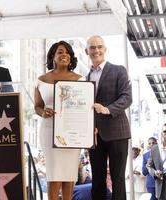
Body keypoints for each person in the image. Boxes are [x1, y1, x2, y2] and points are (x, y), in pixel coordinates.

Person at [85, 35, 132, 200]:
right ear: (86, 51)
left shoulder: (119, 70)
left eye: (99, 46)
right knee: (97, 179)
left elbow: (127, 98)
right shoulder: (86, 78)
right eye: (92, 47)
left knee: (118, 179)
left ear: (105, 49)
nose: (96, 50)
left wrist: (107, 109)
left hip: (117, 133)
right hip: (95, 136)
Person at [34, 41, 82, 200]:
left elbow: (84, 107)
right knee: (53, 176)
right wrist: (43, 112)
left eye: (68, 52)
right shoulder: (41, 80)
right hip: (49, 131)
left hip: (72, 131)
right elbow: (37, 106)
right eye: (61, 52)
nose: (65, 55)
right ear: (53, 57)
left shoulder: (81, 80)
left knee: (69, 176)